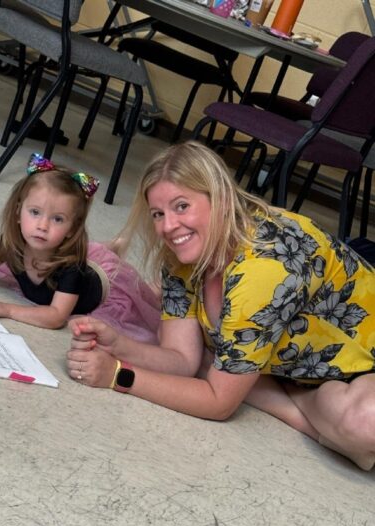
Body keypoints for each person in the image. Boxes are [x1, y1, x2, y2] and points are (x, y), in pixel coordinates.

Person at [67, 141, 375, 470]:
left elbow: (218, 402)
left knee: (365, 424)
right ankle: (264, 385)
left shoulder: (264, 267)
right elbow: (184, 360)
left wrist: (118, 375)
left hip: (362, 363)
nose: (168, 227)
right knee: (351, 424)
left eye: (181, 206)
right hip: (321, 373)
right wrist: (121, 345)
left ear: (222, 199)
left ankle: (268, 391)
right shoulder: (182, 258)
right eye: (158, 214)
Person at [0, 153, 160, 343]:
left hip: (101, 285)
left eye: (58, 219)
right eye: (35, 213)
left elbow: (56, 316)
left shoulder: (73, 267)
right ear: (17, 212)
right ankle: (109, 247)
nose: (42, 226)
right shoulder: (12, 242)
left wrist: (8, 309)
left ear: (73, 227)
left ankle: (136, 271)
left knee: (146, 297)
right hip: (58, 258)